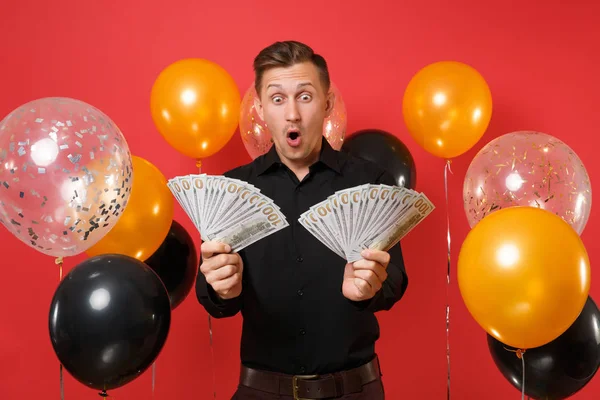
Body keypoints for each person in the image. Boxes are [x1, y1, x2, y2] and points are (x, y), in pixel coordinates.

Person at [196, 40, 408, 400]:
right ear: (261, 109)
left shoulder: (370, 183)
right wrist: (220, 288)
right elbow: (216, 299)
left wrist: (369, 289)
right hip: (260, 391)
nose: (292, 114)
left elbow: (395, 281)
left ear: (327, 104)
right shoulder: (232, 189)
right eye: (278, 99)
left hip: (354, 390)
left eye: (305, 97)